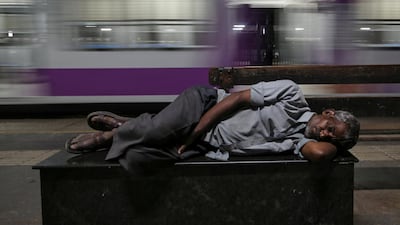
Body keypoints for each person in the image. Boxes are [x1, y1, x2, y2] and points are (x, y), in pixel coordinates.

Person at [65, 80, 360, 174]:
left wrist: (336, 145)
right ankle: (108, 135)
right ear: (327, 112)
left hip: (209, 146)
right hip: (205, 106)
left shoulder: (300, 143)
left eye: (331, 138)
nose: (324, 134)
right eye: (329, 128)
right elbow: (232, 100)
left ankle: (129, 124)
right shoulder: (292, 95)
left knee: (142, 160)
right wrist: (193, 135)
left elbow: (321, 155)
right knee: (157, 133)